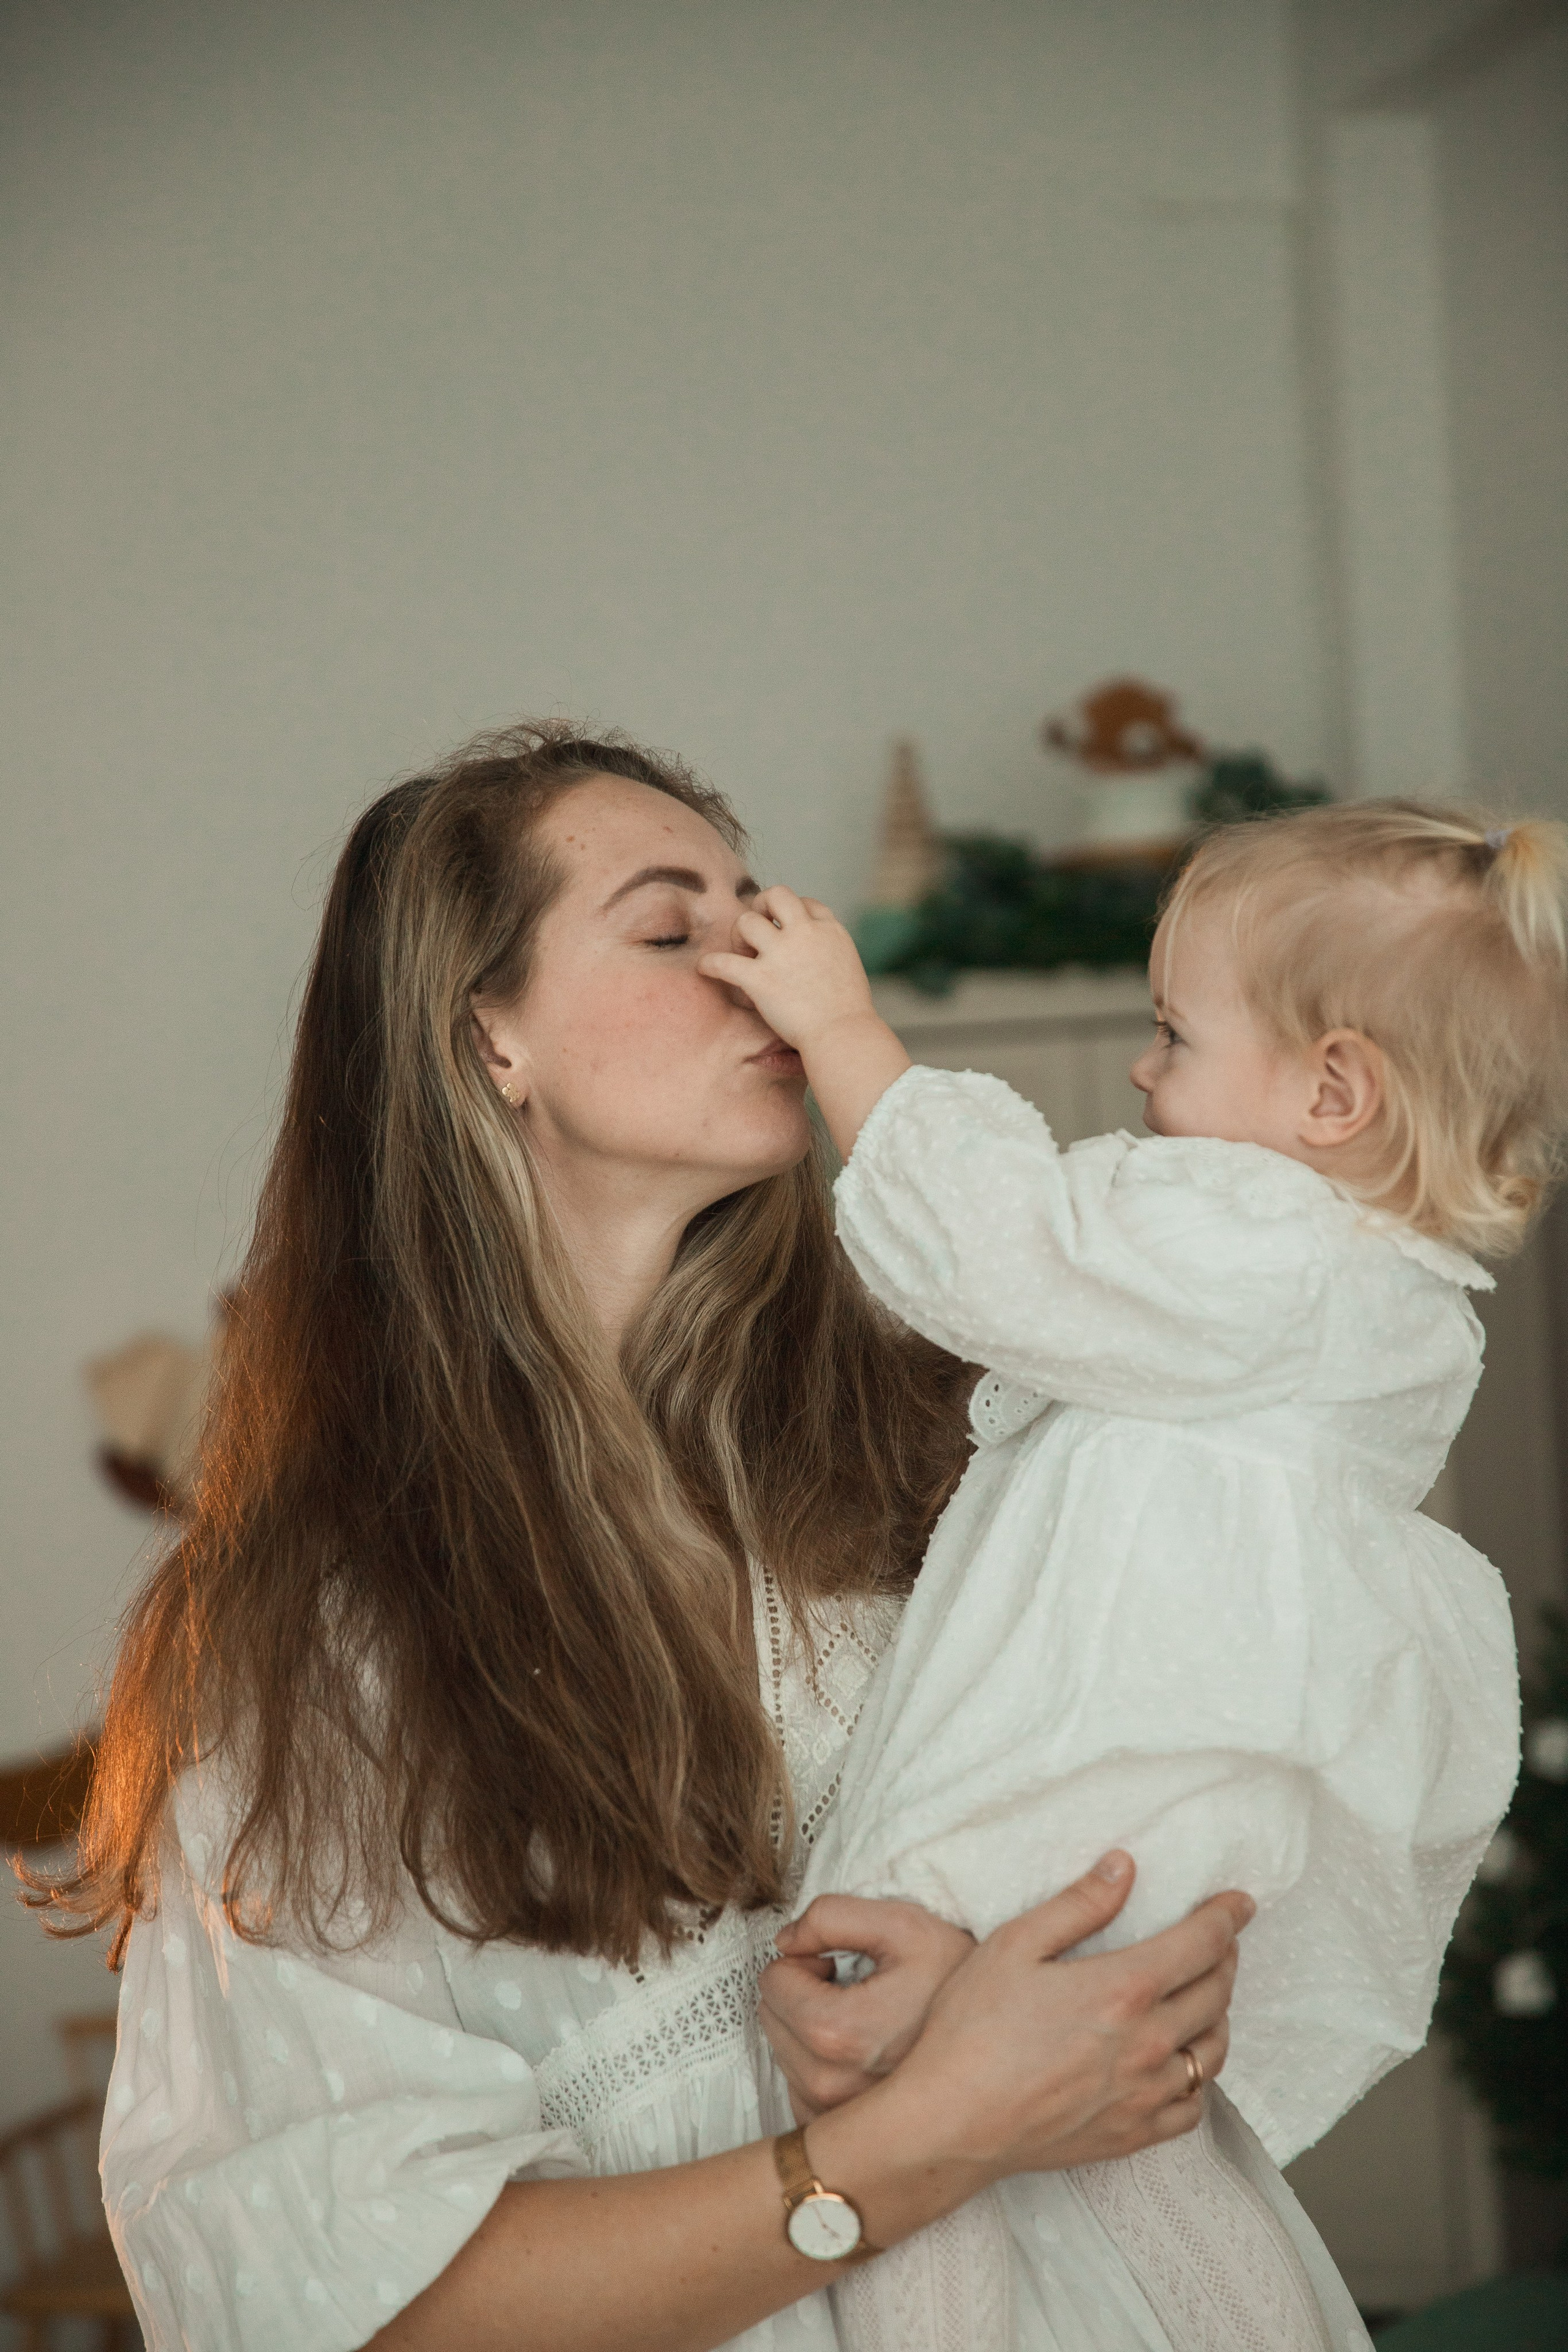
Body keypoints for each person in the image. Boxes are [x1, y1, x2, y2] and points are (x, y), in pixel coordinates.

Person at [38, 723, 1251, 2352]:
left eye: (759, 909)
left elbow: (1180, 1864)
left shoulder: (950, 1432)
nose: (764, 960)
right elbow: (352, 2302)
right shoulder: (323, 1638)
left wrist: (1140, 1999)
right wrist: (914, 2142)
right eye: (675, 930)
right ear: (487, 1037)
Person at [697, 799, 1559, 2352]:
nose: (1145, 1076)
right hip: (1187, 1782)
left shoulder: (1259, 1236)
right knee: (1125, 2150)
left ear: (1331, 1091)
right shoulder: (1379, 1282)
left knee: (921, 2099)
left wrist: (844, 1034)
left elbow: (993, 1246)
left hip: (1100, 1745)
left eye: (1172, 1033)